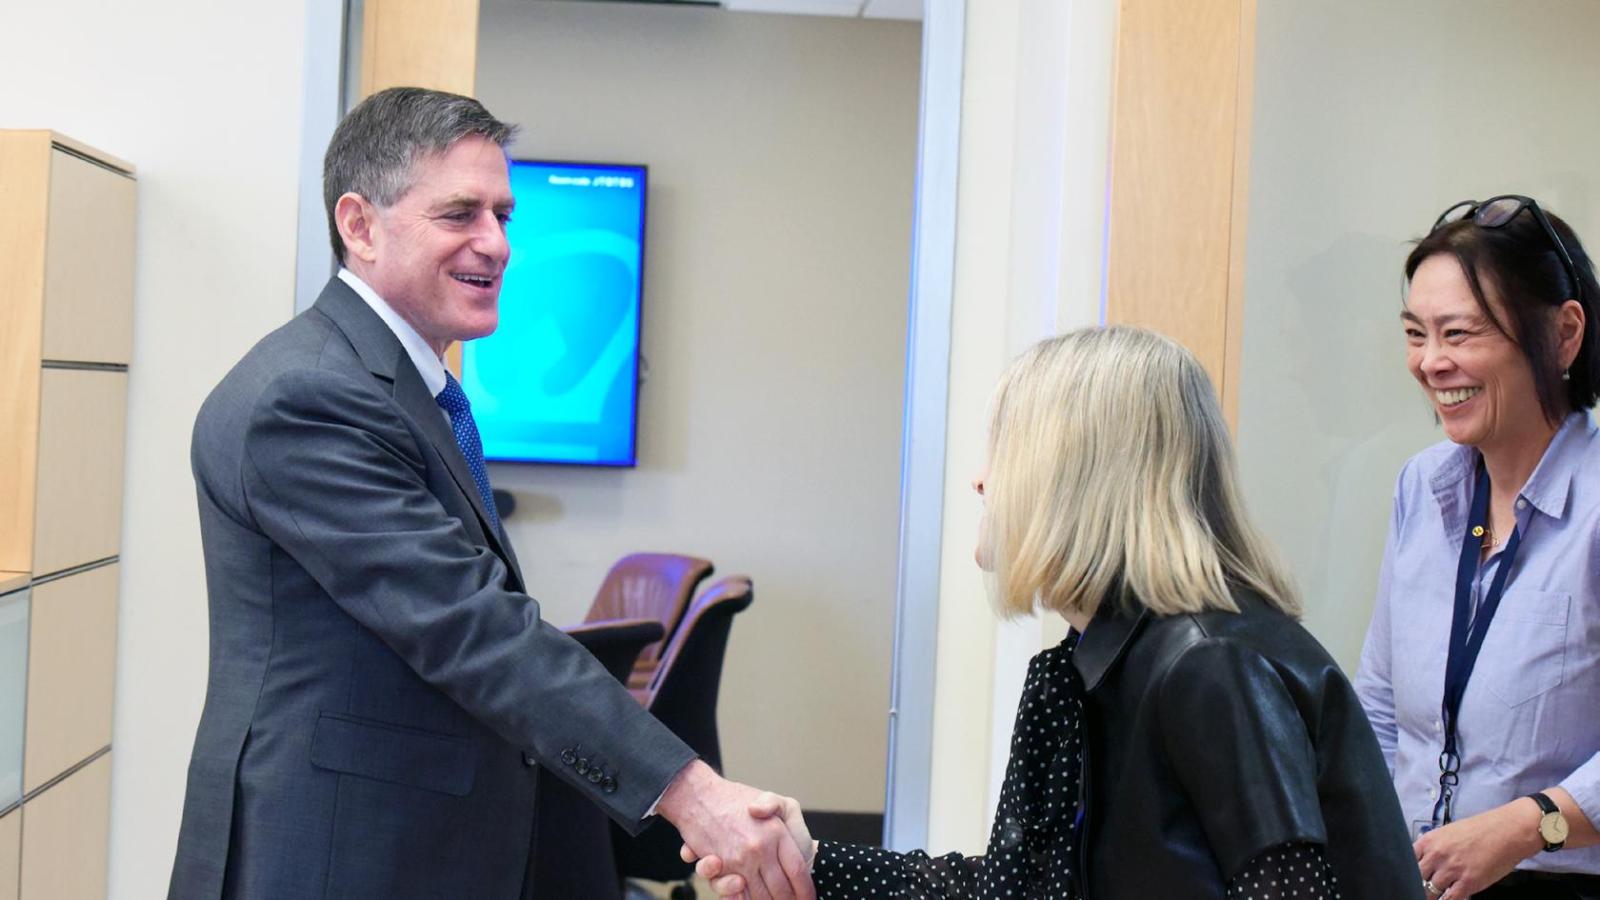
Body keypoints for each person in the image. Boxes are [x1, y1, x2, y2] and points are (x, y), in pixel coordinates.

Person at [166, 87, 813, 900]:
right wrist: (692, 793)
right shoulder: (309, 398)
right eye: (461, 214)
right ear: (359, 225)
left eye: (504, 216)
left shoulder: (404, 384)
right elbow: (472, 628)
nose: (496, 243)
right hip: (331, 859)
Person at [692, 327, 1421, 898]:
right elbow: (1017, 890)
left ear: (1079, 477)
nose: (980, 477)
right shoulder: (1093, 665)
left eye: (1004, 448)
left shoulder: (1211, 665)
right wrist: (812, 861)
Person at [1355, 195, 1600, 900]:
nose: (1431, 363)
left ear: (1564, 335)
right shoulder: (1421, 486)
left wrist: (1530, 825)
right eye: (1415, 334)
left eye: (1459, 334)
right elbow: (1378, 704)